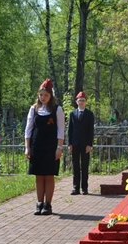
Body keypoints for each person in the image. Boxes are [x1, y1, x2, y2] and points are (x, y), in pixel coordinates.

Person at [24, 78, 65, 215]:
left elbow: (60, 130)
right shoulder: (34, 109)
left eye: (46, 95)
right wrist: (27, 147)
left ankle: (48, 204)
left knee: (49, 175)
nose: (43, 97)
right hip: (37, 145)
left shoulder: (57, 110)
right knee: (39, 175)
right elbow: (28, 129)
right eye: (41, 95)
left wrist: (59, 148)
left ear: (51, 96)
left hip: (51, 146)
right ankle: (39, 203)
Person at [68, 91, 94, 195]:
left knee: (84, 166)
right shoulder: (72, 114)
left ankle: (84, 188)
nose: (81, 102)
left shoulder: (89, 114)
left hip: (85, 144)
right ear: (76, 102)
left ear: (86, 102)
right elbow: (70, 129)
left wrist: (89, 144)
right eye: (79, 101)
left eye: (83, 101)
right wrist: (69, 143)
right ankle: (76, 188)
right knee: (75, 166)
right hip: (75, 143)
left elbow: (90, 130)